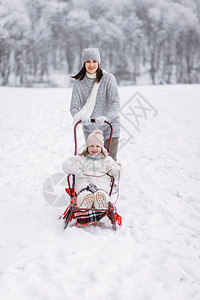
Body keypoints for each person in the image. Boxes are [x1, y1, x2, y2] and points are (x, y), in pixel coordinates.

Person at [70, 47, 120, 161]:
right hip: (90, 128)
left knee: (109, 161)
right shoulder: (79, 82)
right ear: (84, 63)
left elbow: (115, 103)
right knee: (93, 162)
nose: (91, 64)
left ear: (98, 62)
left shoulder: (108, 79)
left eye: (94, 61)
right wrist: (80, 117)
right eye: (88, 61)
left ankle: (112, 178)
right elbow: (73, 107)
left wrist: (106, 117)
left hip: (109, 125)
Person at [62, 129, 120, 209]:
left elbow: (116, 174)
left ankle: (101, 202)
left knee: (101, 192)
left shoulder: (106, 160)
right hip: (84, 182)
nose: (94, 148)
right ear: (87, 147)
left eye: (97, 146)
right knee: (85, 192)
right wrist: (77, 170)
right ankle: (84, 201)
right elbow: (67, 164)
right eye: (91, 146)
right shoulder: (81, 158)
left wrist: (116, 169)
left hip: (101, 183)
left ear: (101, 147)